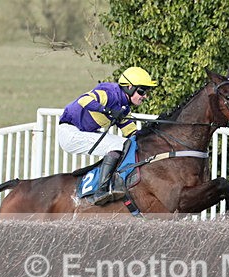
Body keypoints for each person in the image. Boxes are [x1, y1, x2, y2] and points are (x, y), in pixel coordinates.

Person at [57, 66, 158, 205]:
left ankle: (111, 183)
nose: (145, 96)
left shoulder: (124, 107)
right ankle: (101, 191)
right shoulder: (109, 92)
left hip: (83, 132)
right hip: (70, 133)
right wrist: (107, 111)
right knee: (119, 145)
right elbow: (84, 100)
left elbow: (132, 133)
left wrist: (151, 132)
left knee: (127, 144)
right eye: (142, 91)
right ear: (129, 87)